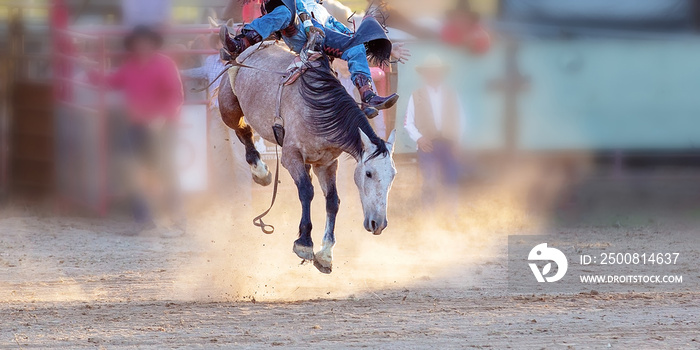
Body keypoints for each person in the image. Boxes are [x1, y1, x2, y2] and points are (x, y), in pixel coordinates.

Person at [219, 0, 399, 113]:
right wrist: (308, 27)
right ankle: (241, 43)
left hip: (319, 36)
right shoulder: (298, 2)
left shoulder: (324, 12)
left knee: (356, 48)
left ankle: (367, 95)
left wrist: (356, 39)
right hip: (298, 32)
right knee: (286, 11)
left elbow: (338, 27)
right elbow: (299, 9)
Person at [91, 26, 185, 236]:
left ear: (153, 43)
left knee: (166, 171)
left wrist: (161, 117)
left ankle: (177, 222)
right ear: (133, 45)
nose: (141, 46)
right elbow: (111, 81)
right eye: (137, 43)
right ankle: (143, 219)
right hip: (138, 126)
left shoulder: (164, 64)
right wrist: (90, 73)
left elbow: (175, 96)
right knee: (134, 171)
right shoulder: (130, 66)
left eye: (145, 42)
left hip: (163, 126)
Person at [180, 34, 252, 204]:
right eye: (220, 41)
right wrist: (173, 71)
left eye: (226, 41)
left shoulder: (241, 61)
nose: (223, 45)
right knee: (220, 157)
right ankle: (226, 202)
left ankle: (243, 203)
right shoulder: (210, 62)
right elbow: (194, 73)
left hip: (236, 116)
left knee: (240, 159)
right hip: (217, 114)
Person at [404, 54, 467, 208]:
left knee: (450, 179)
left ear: (441, 74)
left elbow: (461, 119)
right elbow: (408, 122)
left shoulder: (451, 94)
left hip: (449, 144)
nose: (433, 75)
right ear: (425, 75)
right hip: (427, 145)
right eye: (430, 72)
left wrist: (457, 141)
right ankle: (429, 219)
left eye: (436, 72)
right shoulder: (416, 95)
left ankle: (451, 216)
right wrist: (419, 138)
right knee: (429, 180)